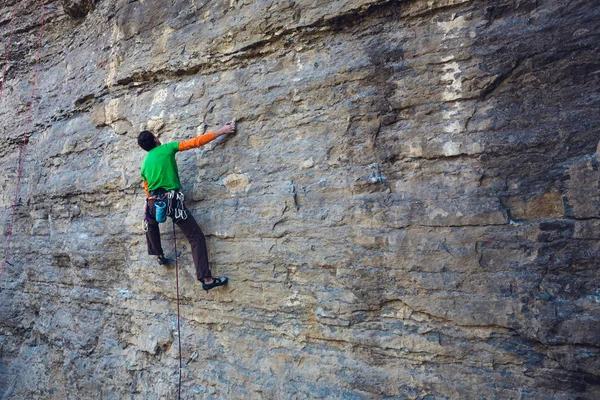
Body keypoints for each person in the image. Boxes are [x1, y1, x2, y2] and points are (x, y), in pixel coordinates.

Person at [138, 124, 235, 291]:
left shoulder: (144, 164)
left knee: (150, 223)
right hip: (172, 201)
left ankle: (159, 255)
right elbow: (195, 142)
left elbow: (147, 188)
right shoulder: (168, 148)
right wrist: (221, 131)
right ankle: (206, 278)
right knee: (196, 237)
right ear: (155, 139)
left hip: (153, 201)